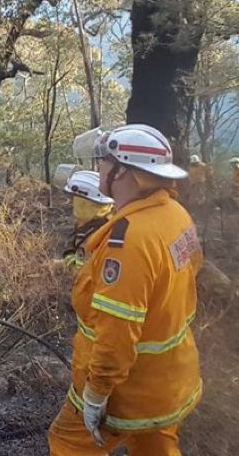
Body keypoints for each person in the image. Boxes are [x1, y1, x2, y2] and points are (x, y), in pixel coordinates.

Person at [49, 125, 203, 456]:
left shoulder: (128, 241)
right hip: (169, 379)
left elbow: (117, 334)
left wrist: (96, 395)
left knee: (68, 444)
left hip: (128, 391)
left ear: (123, 171)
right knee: (155, 447)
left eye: (105, 161)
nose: (100, 168)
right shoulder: (175, 214)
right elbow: (191, 272)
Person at [52, 166, 114, 270]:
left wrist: (60, 265)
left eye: (80, 201)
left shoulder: (101, 233)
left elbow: (86, 266)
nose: (75, 203)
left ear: (93, 205)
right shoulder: (87, 224)